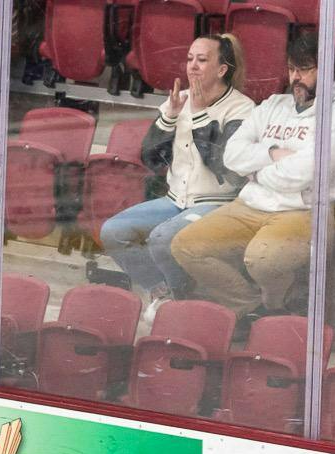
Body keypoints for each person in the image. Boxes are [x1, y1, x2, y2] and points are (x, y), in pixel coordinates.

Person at [168, 31, 335, 320]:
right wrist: (273, 153)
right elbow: (231, 155)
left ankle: (274, 304)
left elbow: (305, 174)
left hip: (307, 211)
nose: (295, 77)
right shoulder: (274, 104)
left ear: (327, 71)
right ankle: (252, 306)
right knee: (185, 246)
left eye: (305, 69)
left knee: (261, 259)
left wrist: (256, 173)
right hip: (251, 205)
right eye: (291, 69)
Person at [99, 36, 254, 312]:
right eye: (190, 58)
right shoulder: (179, 100)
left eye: (202, 60)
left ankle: (180, 301)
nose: (192, 66)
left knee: (163, 238)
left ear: (222, 69)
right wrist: (169, 116)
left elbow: (223, 166)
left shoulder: (242, 108)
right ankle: (163, 292)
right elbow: (150, 159)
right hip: (174, 200)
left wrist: (199, 114)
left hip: (218, 203)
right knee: (113, 231)